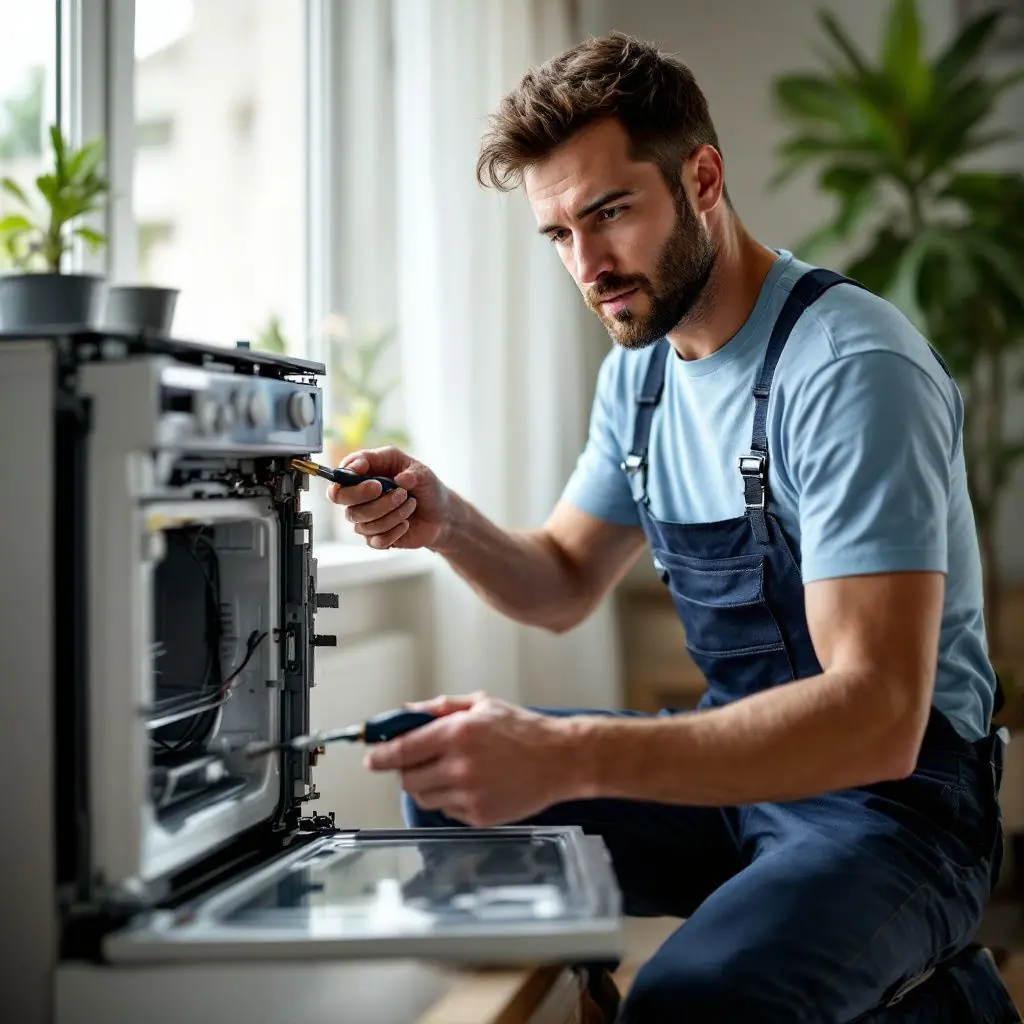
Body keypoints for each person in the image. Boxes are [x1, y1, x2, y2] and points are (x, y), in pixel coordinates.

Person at [327, 31, 1020, 1024]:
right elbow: (562, 579)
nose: (588, 264)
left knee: (693, 997)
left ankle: (923, 979)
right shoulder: (640, 376)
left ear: (701, 178)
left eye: (610, 213)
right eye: (559, 233)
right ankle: (807, 935)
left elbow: (876, 715)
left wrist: (568, 755)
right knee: (447, 776)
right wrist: (447, 522)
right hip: (744, 790)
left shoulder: (848, 366)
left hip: (898, 807)